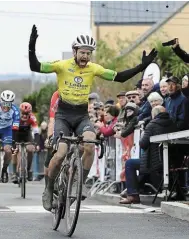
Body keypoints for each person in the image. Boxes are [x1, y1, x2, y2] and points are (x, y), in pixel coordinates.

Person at [28, 24, 158, 211]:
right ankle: (49, 189)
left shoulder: (93, 68)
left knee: (89, 145)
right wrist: (32, 45)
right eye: (82, 52)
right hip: (64, 115)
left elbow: (120, 77)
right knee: (61, 152)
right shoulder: (61, 65)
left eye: (89, 53)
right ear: (74, 51)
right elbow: (35, 66)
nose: (85, 56)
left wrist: (142, 66)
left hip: (81, 115)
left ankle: (78, 183)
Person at [11, 102, 40, 183]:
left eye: (26, 114)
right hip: (16, 133)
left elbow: (36, 132)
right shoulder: (16, 117)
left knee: (31, 149)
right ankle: (14, 173)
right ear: (20, 112)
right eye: (23, 113)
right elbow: (13, 131)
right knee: (15, 151)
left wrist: (36, 144)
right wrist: (13, 143)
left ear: (30, 113)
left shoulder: (33, 118)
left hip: (27, 134)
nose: (24, 115)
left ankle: (28, 170)